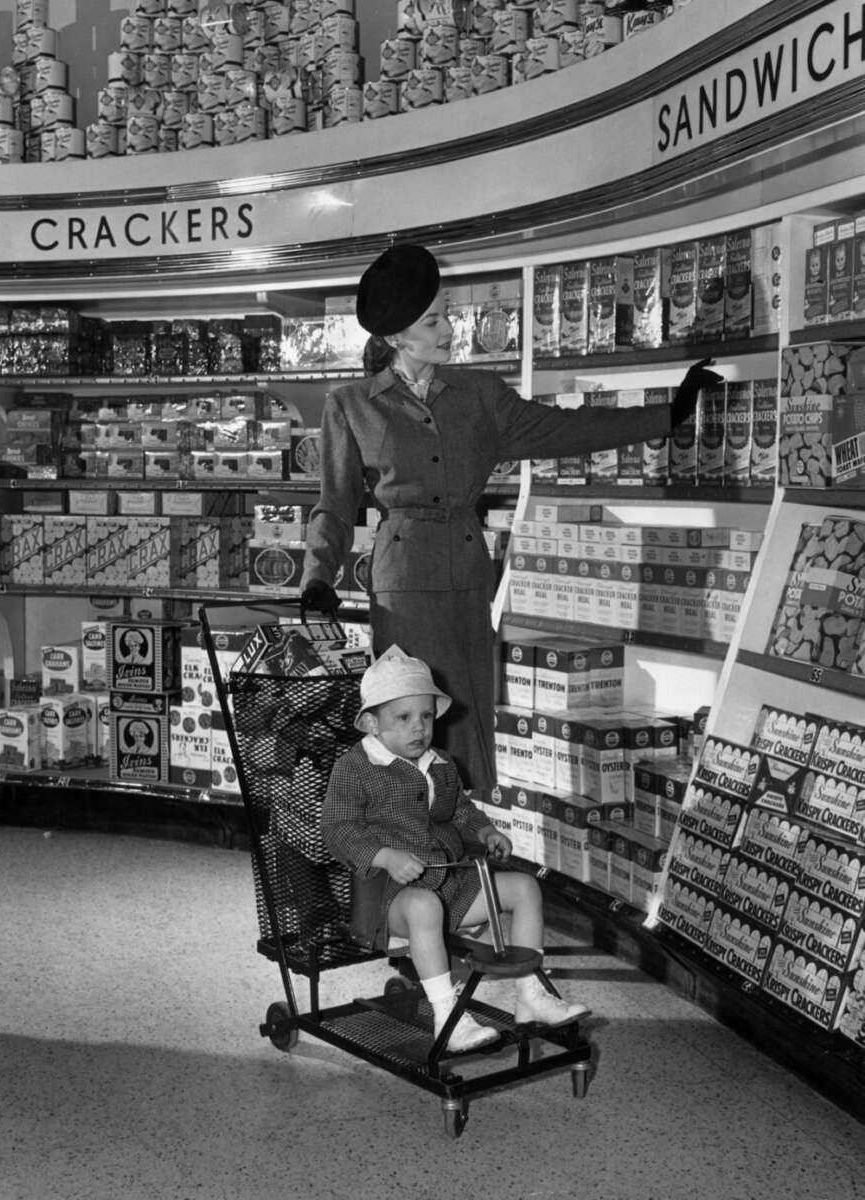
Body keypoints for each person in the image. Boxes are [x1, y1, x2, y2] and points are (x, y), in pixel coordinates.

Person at [301, 242, 722, 796]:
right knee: (409, 718)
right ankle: (409, 844)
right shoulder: (351, 403)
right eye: (434, 321)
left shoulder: (480, 395)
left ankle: (467, 846)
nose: (449, 329)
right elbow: (334, 502)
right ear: (397, 337)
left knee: (466, 708)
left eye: (446, 314)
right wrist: (316, 577)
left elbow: (564, 429)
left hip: (472, 574)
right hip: (403, 585)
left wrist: (669, 413)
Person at [322, 645, 590, 1053]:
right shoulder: (355, 768)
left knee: (524, 888)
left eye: (427, 717)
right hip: (389, 900)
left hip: (452, 885)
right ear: (372, 724)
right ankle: (449, 1016)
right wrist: (385, 856)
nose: (419, 729)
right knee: (424, 907)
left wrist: (484, 832)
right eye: (404, 718)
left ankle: (530, 994)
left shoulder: (440, 763)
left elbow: (459, 812)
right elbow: (338, 829)